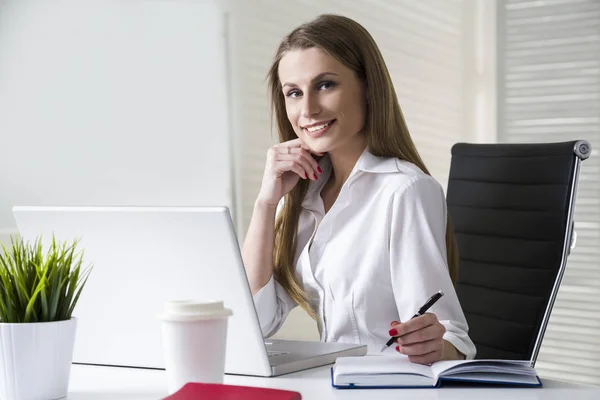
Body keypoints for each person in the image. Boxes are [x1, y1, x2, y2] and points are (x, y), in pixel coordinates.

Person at [241, 14, 476, 364]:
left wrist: (434, 344)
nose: (307, 109)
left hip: (388, 384)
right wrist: (265, 202)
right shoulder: (300, 196)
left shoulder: (405, 190)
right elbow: (255, 322)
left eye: (325, 85)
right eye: (293, 92)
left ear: (367, 87)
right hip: (330, 381)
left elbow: (452, 339)